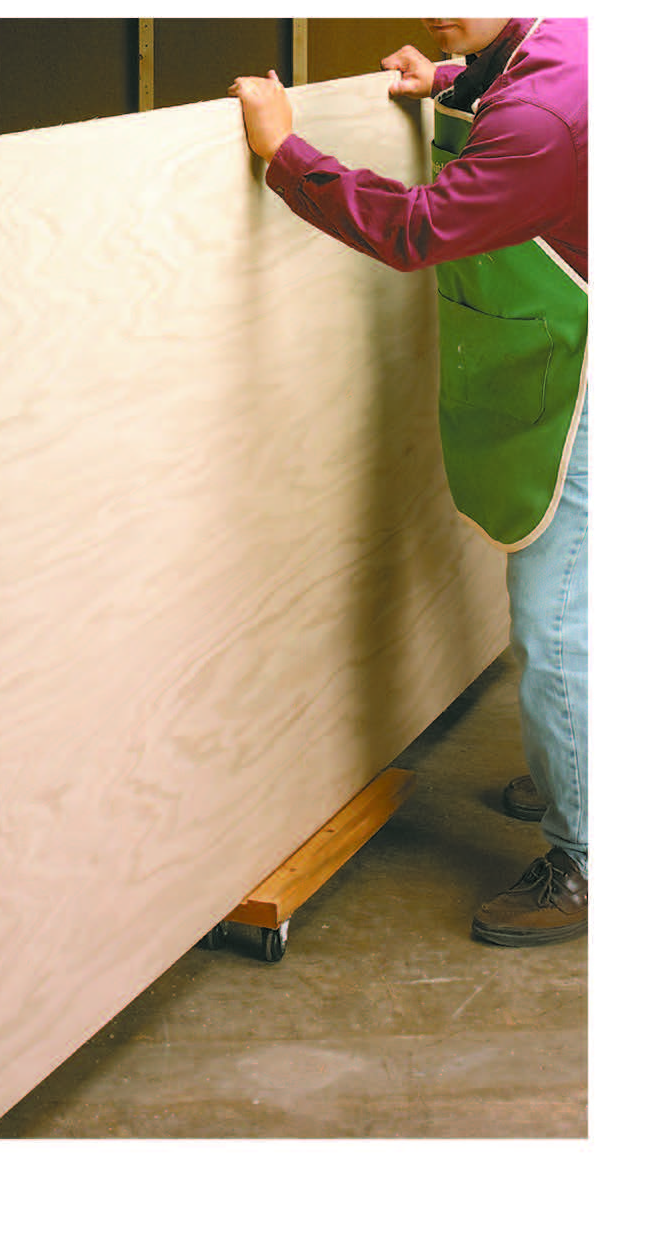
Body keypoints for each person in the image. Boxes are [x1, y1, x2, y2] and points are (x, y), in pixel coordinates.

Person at [229, 18, 588, 947]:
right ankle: (581, 769)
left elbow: (416, 229)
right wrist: (455, 75)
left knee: (557, 625)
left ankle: (589, 849)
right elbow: (513, 79)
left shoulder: (542, 115)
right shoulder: (570, 40)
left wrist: (285, 152)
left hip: (594, 375)